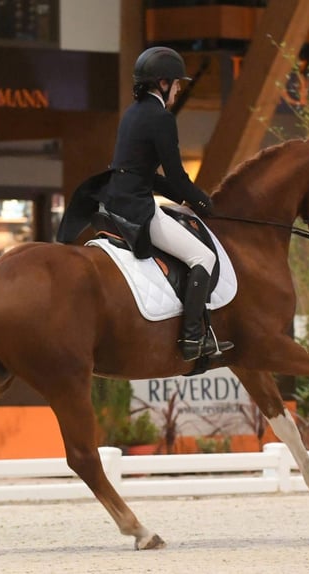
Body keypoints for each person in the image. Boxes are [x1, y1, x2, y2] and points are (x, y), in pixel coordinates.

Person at [98, 46, 234, 361]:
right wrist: (204, 202)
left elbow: (142, 172)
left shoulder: (131, 114)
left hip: (114, 203)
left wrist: (183, 196)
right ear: (162, 83)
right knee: (203, 257)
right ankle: (191, 339)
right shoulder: (161, 117)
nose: (177, 90)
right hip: (138, 210)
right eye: (175, 84)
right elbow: (175, 176)